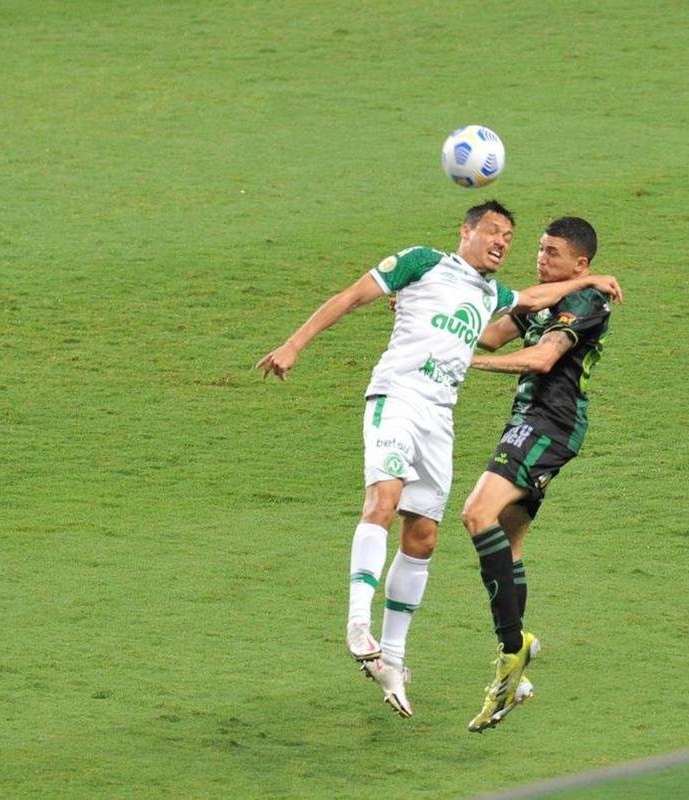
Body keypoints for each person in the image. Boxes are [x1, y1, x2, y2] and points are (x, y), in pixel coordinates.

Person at [256, 202, 622, 719]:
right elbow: (350, 297)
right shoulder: (422, 262)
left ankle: (410, 658)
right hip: (398, 398)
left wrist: (595, 278)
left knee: (433, 533)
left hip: (459, 419)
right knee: (393, 501)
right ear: (466, 232)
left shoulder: (500, 294)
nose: (506, 244)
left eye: (513, 239)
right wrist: (294, 344)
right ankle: (361, 622)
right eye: (495, 233)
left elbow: (532, 314)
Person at [459, 216, 612, 732]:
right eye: (539, 250)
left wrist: (461, 363)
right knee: (508, 539)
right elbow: (488, 335)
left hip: (549, 425)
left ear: (580, 264)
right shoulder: (544, 298)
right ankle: (515, 676)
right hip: (534, 424)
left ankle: (511, 652)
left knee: (477, 514)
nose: (540, 259)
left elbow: (545, 359)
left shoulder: (588, 302)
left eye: (551, 253)